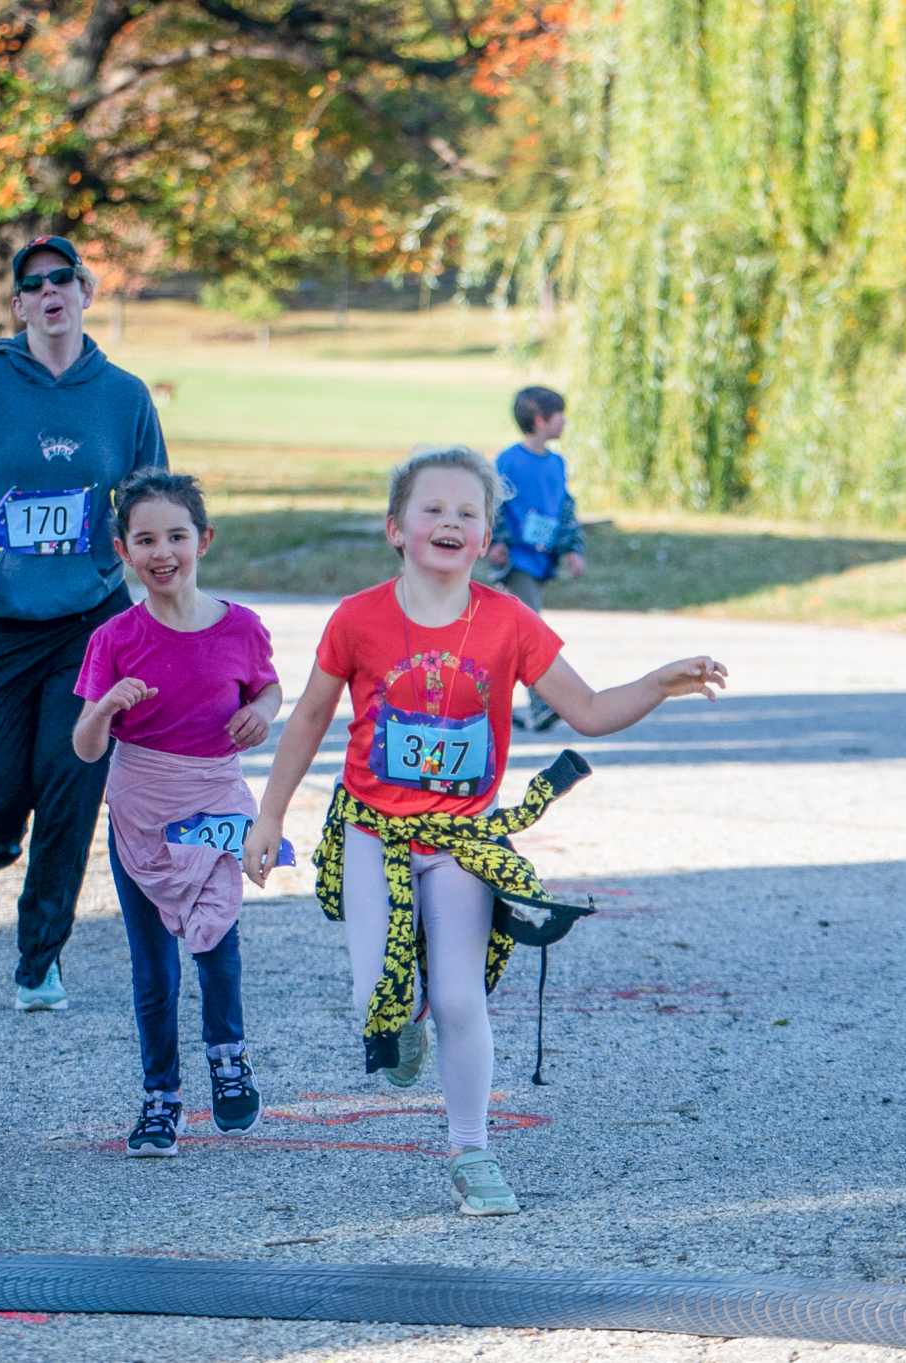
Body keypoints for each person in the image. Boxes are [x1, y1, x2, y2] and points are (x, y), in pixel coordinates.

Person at [240, 446, 726, 1217]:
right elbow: (307, 717)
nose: (449, 522)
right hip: (374, 834)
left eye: (468, 512)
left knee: (462, 999)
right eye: (433, 509)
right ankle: (401, 1027)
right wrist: (269, 814)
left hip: (461, 842)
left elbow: (591, 710)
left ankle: (472, 1150)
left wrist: (661, 683)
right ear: (395, 527)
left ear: (489, 537)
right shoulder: (358, 618)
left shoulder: (509, 623)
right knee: (380, 1000)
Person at [0, 235, 168, 1012]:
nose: (51, 290)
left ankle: (40, 960)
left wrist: (164, 584)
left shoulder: (124, 396)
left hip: (88, 624)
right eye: (34, 283)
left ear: (86, 291)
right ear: (19, 303)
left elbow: (152, 501)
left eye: (65, 277)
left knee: (70, 782)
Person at [70, 470, 280, 1156]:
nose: (164, 551)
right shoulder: (115, 638)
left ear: (204, 540)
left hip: (216, 797)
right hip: (141, 806)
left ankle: (229, 1061)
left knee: (217, 941)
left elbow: (270, 689)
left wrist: (259, 713)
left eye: (177, 536)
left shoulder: (241, 627)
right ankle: (160, 1096)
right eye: (146, 539)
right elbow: (85, 744)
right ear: (122, 551)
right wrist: (105, 706)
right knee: (153, 965)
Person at [489, 387, 588, 731]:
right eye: (559, 415)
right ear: (540, 420)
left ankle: (489, 700)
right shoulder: (508, 461)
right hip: (517, 562)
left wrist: (573, 550)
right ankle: (543, 703)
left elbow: (564, 510)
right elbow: (492, 504)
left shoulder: (557, 464)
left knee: (511, 635)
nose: (565, 421)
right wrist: (493, 543)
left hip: (542, 561)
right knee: (531, 629)